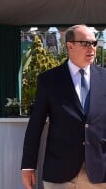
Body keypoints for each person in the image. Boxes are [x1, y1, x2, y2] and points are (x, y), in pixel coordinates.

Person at [21, 24, 106, 189]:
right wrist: (28, 165)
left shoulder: (104, 78)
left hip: (99, 172)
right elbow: (35, 124)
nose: (92, 48)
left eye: (94, 43)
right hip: (60, 172)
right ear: (70, 45)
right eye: (85, 43)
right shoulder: (49, 80)